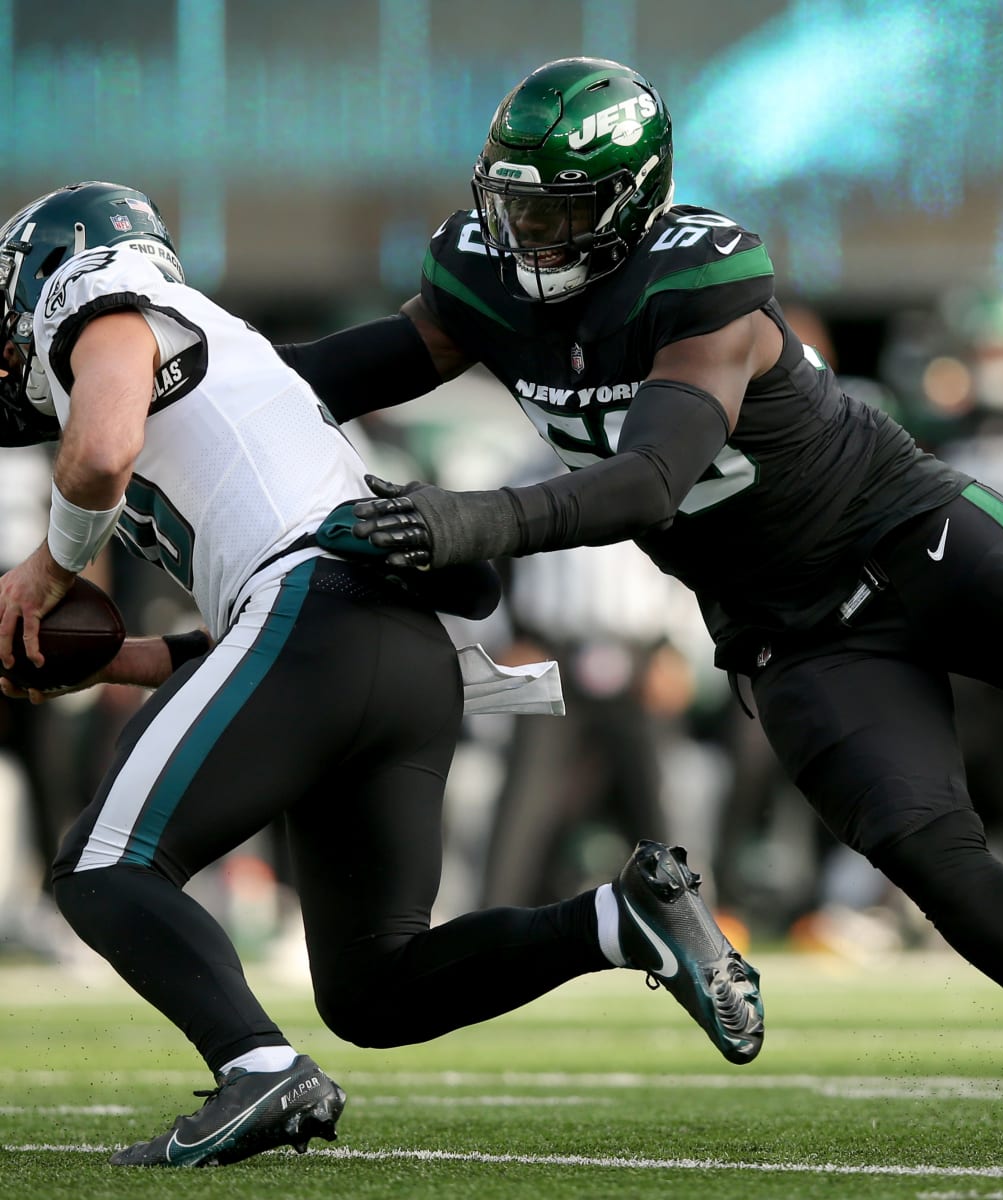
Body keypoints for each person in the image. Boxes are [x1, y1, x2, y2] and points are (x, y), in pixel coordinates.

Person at [275, 57, 1003, 1152]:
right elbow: (323, 376)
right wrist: (178, 393)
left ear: (632, 204)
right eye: (515, 202)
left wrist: (467, 519)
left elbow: (647, 480)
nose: (531, 235)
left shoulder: (700, 281)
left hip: (917, 541)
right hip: (792, 631)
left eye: (561, 209)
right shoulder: (481, 280)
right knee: (929, 853)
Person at [0, 180, 764, 1168]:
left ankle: (255, 1066)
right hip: (396, 643)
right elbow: (255, 626)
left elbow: (101, 457)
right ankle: (620, 921)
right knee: (377, 987)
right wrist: (124, 659)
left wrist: (48, 568)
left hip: (321, 612)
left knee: (105, 867)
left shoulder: (100, 292)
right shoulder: (223, 367)